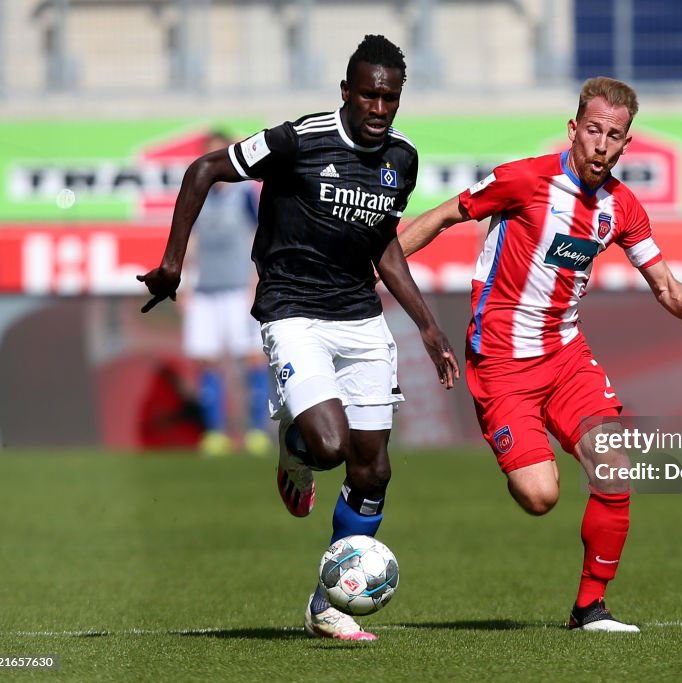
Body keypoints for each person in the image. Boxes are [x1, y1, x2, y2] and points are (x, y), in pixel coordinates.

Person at [138, 34, 459, 641]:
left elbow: (384, 242)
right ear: (346, 91)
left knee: (373, 471)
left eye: (389, 98)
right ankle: (296, 447)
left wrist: (425, 322)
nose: (379, 108)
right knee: (332, 444)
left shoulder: (402, 159)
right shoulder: (298, 140)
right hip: (293, 312)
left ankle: (326, 603)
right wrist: (174, 262)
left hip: (361, 318)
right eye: (368, 94)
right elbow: (204, 169)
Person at [399, 76, 682, 633]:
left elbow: (665, 283)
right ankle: (519, 450)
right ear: (574, 129)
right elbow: (443, 216)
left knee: (614, 467)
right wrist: (375, 268)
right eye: (594, 130)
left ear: (626, 145)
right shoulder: (524, 180)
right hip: (501, 364)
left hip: (566, 358)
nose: (602, 144)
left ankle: (589, 609)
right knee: (540, 495)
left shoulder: (622, 207)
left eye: (615, 136)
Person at [182, 130, 271, 457]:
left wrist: (256, 282)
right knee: (206, 361)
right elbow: (189, 239)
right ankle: (216, 433)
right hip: (205, 290)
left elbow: (261, 235)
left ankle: (255, 432)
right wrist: (185, 285)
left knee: (252, 360)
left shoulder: (245, 194)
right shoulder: (196, 194)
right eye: (210, 156)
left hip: (238, 289)